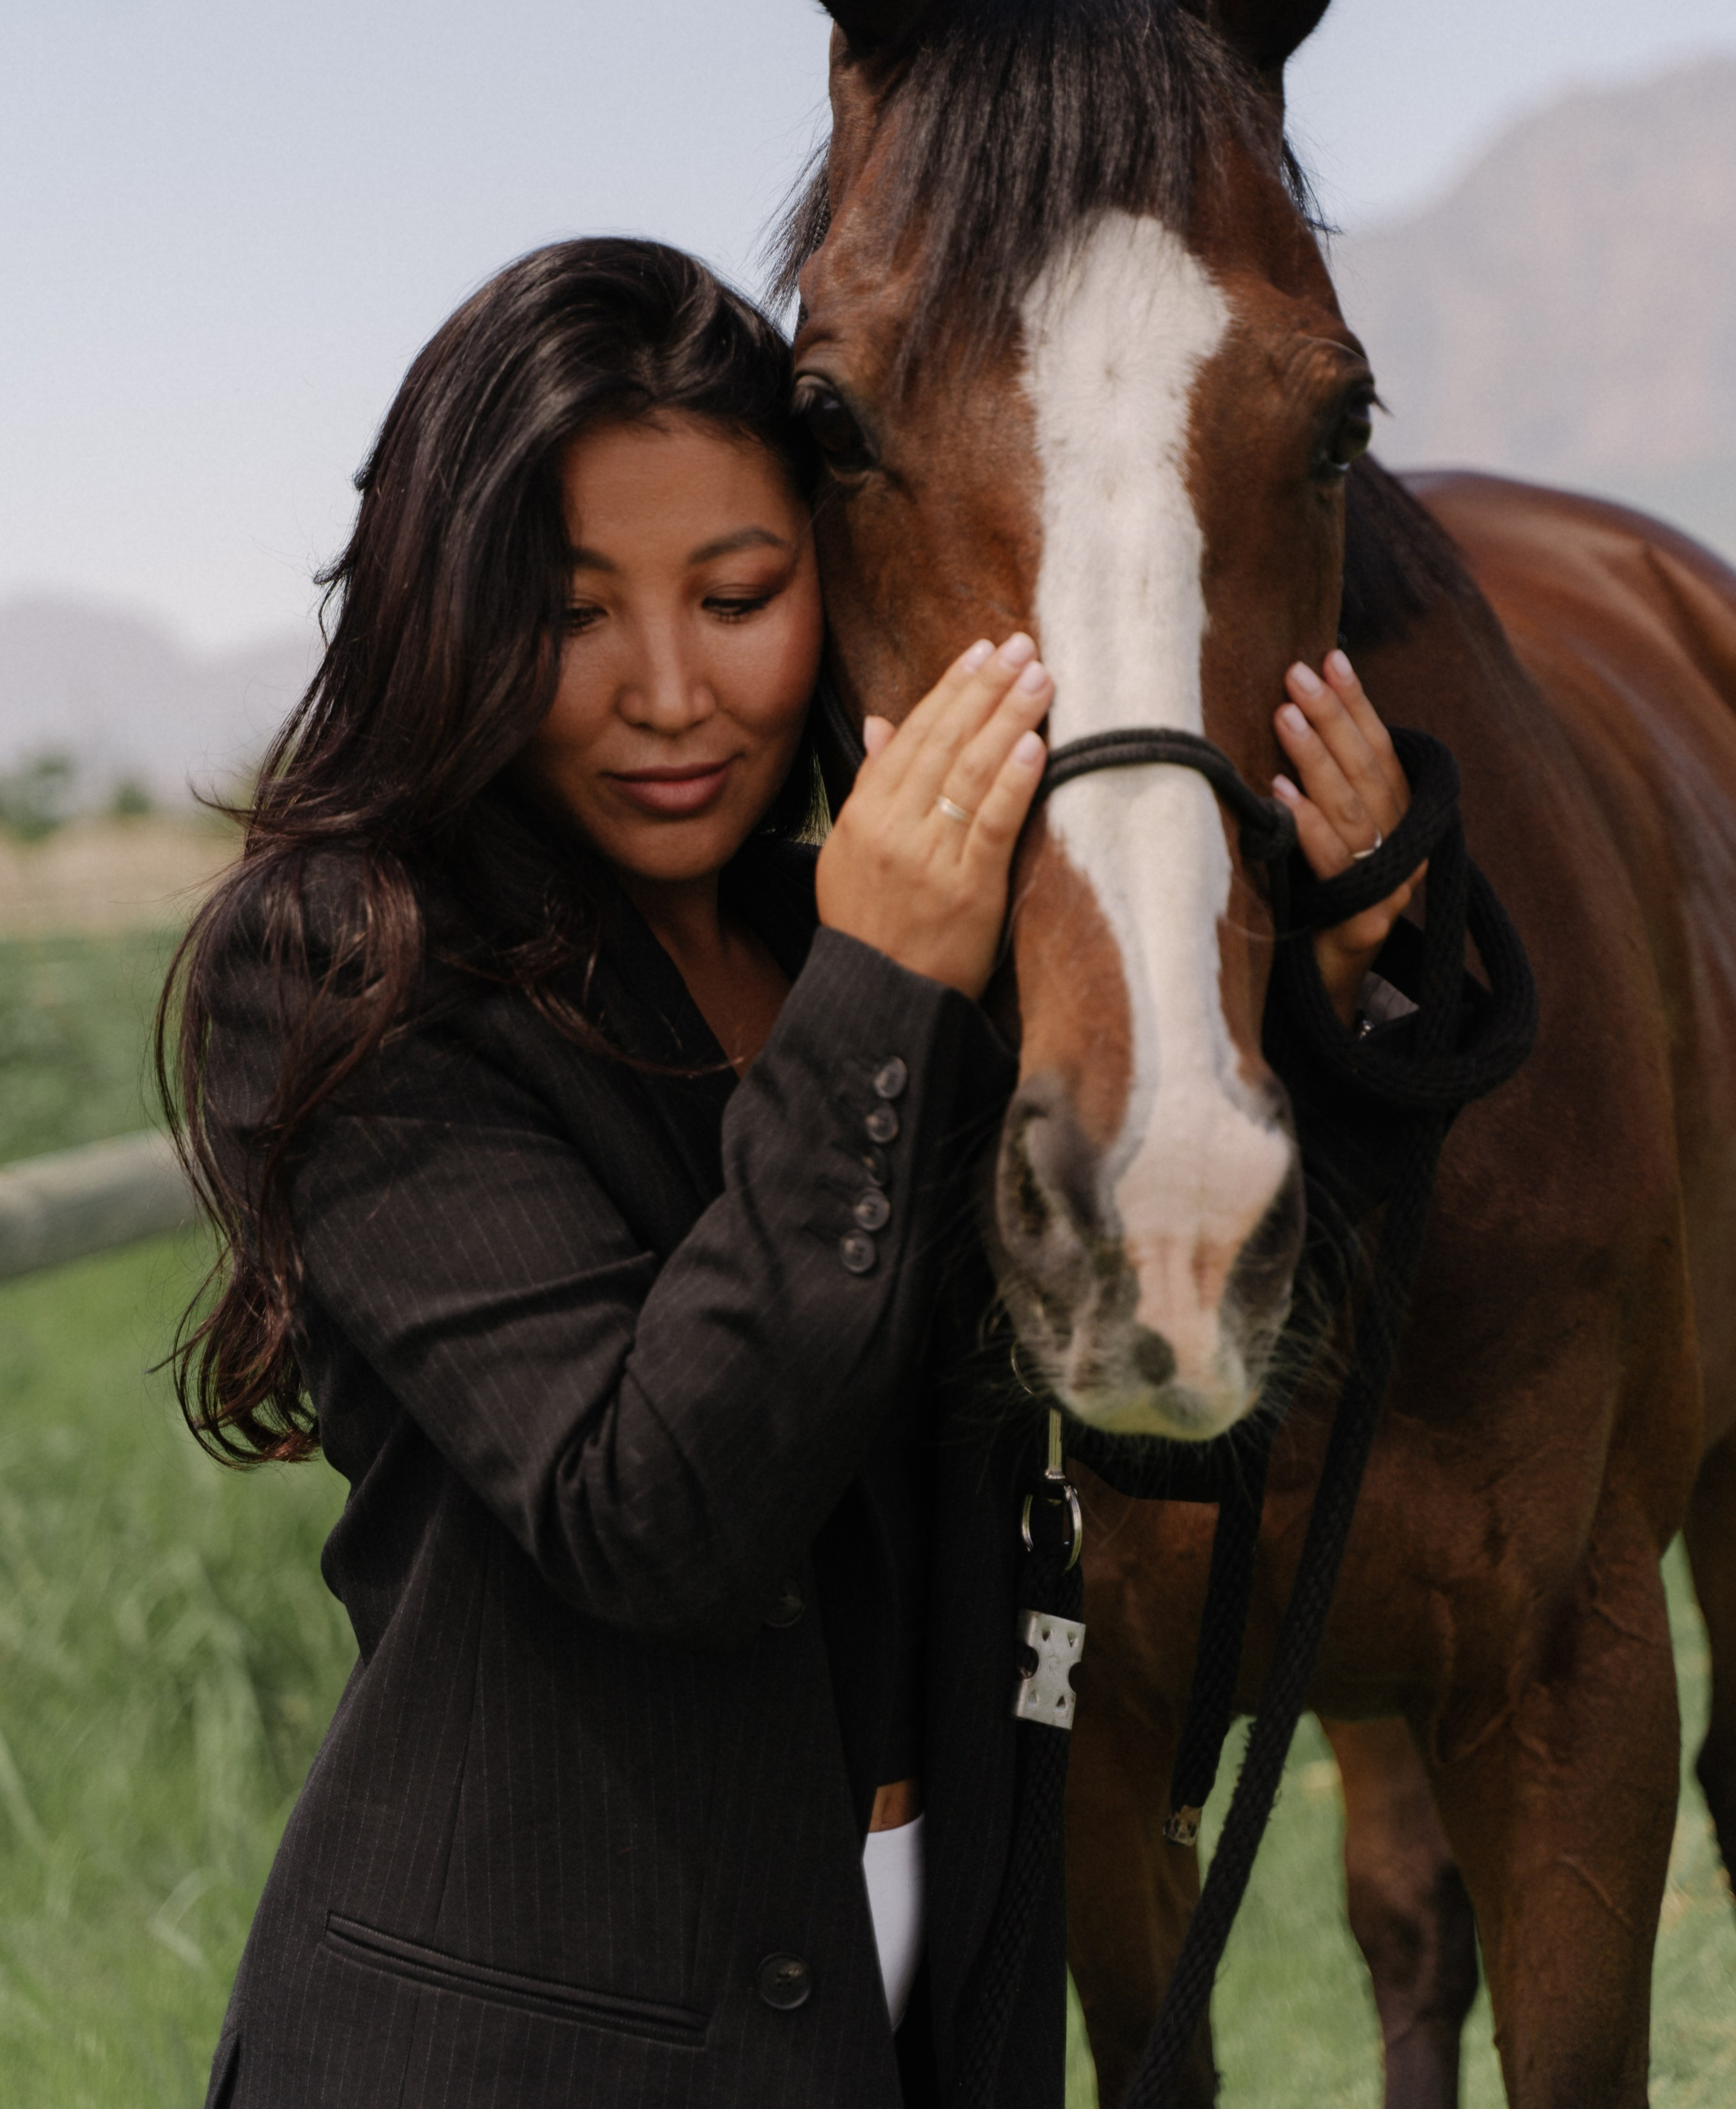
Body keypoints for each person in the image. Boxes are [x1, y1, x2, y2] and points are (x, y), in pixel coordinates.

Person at [165, 238, 1417, 2109]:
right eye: (572, 612)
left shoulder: (869, 945)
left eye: (739, 594)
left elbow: (1172, 1424)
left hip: (922, 2000)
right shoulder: (349, 972)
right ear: (446, 615)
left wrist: (1334, 992)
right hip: (512, 2049)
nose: (672, 692)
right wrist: (882, 989)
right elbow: (644, 1511)